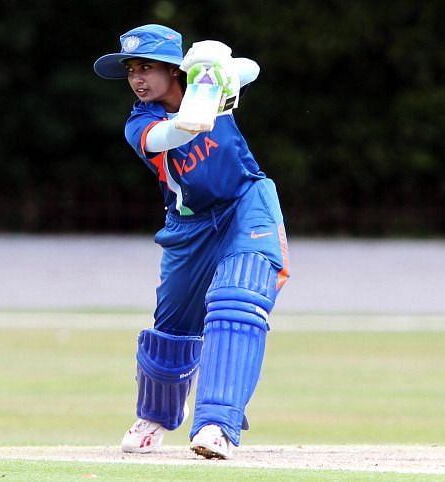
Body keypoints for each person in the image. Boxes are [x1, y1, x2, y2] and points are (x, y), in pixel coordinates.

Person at [93, 24, 290, 459]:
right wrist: (194, 112)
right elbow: (169, 136)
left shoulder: (207, 83)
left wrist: (219, 71)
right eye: (131, 71)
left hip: (245, 203)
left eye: (147, 68)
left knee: (236, 301)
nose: (137, 79)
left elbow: (251, 69)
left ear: (174, 69)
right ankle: (155, 417)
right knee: (172, 332)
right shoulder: (140, 121)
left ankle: (216, 426)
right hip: (189, 226)